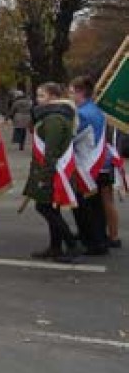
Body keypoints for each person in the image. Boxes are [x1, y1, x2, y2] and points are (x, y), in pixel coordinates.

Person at [24, 82, 79, 262]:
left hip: (54, 171)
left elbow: (52, 150)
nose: (37, 100)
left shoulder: (54, 118)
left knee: (45, 207)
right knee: (51, 208)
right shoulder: (50, 116)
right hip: (50, 169)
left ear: (54, 97)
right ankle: (55, 247)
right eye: (37, 95)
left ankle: (72, 245)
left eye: (42, 96)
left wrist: (45, 177)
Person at [69, 76, 110, 256]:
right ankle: (99, 237)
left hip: (87, 164)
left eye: (71, 91)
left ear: (80, 92)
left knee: (84, 207)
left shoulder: (83, 114)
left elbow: (71, 136)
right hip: (98, 163)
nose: (69, 95)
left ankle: (94, 242)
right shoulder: (94, 109)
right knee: (95, 206)